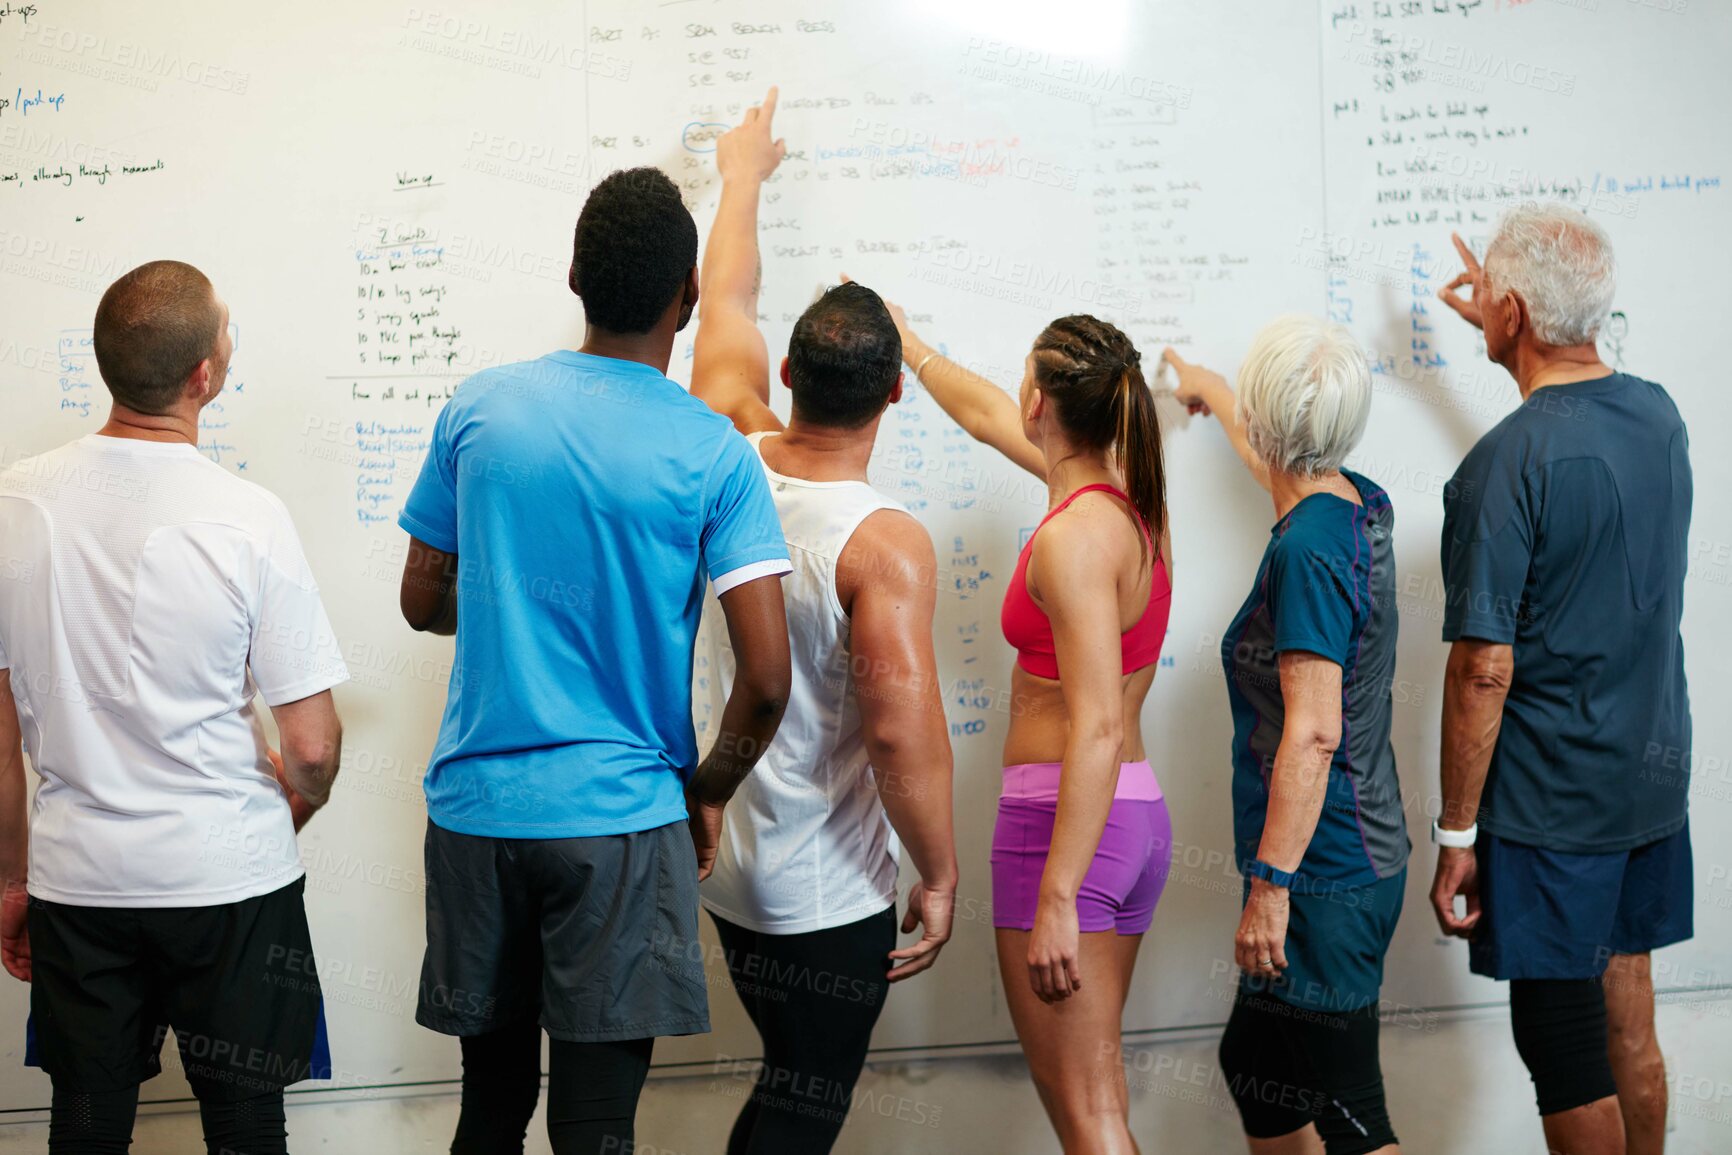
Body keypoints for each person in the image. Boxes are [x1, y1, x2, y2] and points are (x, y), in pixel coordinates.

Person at [396, 165, 794, 1155]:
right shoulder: (715, 453)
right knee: (595, 1128)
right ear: (689, 297)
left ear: (574, 275)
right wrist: (707, 787)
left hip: (478, 817)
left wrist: (507, 596)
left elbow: (420, 601)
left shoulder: (478, 411)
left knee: (489, 1111)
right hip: (623, 823)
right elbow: (770, 677)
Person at [0, 260, 348, 1154]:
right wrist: (289, 805)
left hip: (81, 882)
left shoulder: (11, 503)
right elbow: (311, 745)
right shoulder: (250, 516)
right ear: (205, 376)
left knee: (86, 1122)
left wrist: (11, 881)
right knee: (244, 1126)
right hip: (230, 879)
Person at [687, 90, 959, 1154]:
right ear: (895, 393)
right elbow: (898, 733)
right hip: (824, 894)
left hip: (727, 864)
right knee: (804, 1105)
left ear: (789, 376)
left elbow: (726, 302)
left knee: (787, 1085)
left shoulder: (727, 449)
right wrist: (936, 874)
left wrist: (741, 176)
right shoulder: (883, 545)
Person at [1432, 204, 1692, 1155]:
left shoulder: (1503, 465)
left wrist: (1456, 832)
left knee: (1562, 1040)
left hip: (1552, 804)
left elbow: (1482, 670)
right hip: (1648, 784)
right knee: (1629, 1020)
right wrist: (1512, 331)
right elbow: (1574, 404)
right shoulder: (1661, 416)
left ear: (1510, 309)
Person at [885, 299, 1171, 1153]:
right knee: (1102, 1097)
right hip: (1132, 817)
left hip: (1066, 828)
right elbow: (981, 416)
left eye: (1024, 378)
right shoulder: (1130, 502)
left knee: (1085, 1117)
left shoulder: (1073, 539)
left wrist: (1057, 896)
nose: (1012, 395)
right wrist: (911, 343)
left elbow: (1093, 728)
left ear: (1041, 401)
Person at [1166, 320, 1407, 1155]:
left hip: (1323, 871)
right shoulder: (1352, 500)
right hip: (1355, 848)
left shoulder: (1305, 552)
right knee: (1257, 1066)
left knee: (1350, 1112)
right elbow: (1265, 449)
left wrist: (1271, 887)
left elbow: (1311, 731)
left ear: (1275, 428)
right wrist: (1206, 381)